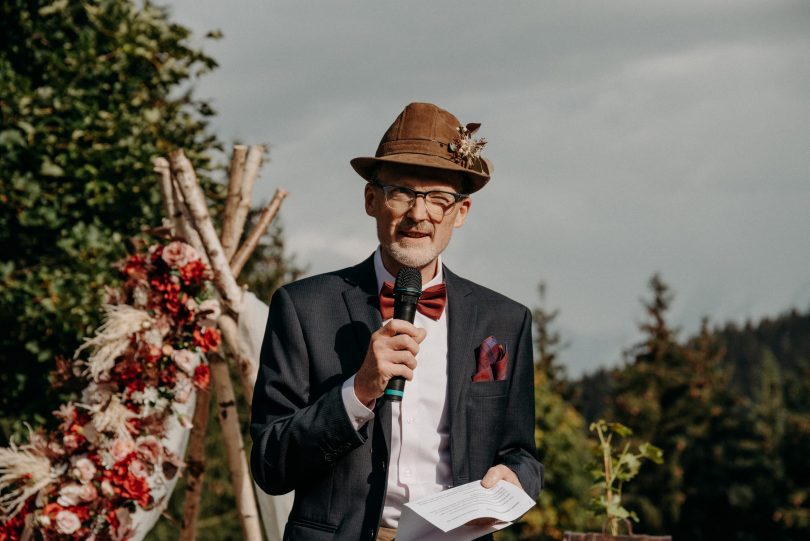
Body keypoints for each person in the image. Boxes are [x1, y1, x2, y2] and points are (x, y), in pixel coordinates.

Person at [250, 102, 542, 541]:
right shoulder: (302, 307)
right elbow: (270, 465)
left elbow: (522, 452)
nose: (419, 214)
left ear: (460, 213)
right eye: (402, 192)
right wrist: (359, 391)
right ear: (372, 200)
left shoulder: (505, 320)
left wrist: (515, 477)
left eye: (439, 198)